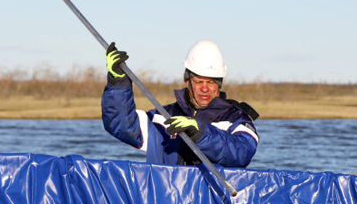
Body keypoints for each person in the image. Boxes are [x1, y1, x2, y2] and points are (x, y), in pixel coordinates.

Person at [101, 40, 259, 168]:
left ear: (219, 85)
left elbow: (241, 154)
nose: (205, 88)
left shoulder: (237, 119)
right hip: (162, 203)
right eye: (199, 81)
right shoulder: (162, 117)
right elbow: (121, 125)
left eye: (211, 82)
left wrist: (201, 133)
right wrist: (118, 82)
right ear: (187, 81)